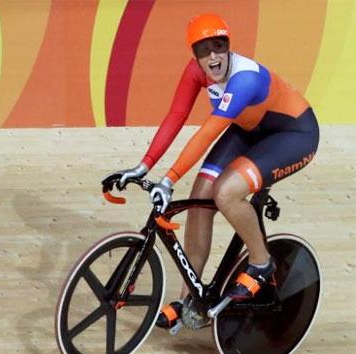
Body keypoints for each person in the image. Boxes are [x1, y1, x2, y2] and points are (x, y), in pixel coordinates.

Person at [104, 13, 319, 329]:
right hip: (249, 129)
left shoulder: (244, 79)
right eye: (204, 50)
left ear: (229, 47)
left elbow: (206, 133)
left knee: (226, 192)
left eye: (220, 47)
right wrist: (143, 166)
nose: (213, 56)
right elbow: (176, 115)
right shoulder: (195, 71)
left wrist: (169, 179)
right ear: (194, 54)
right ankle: (189, 298)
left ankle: (261, 263)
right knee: (199, 199)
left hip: (293, 135)